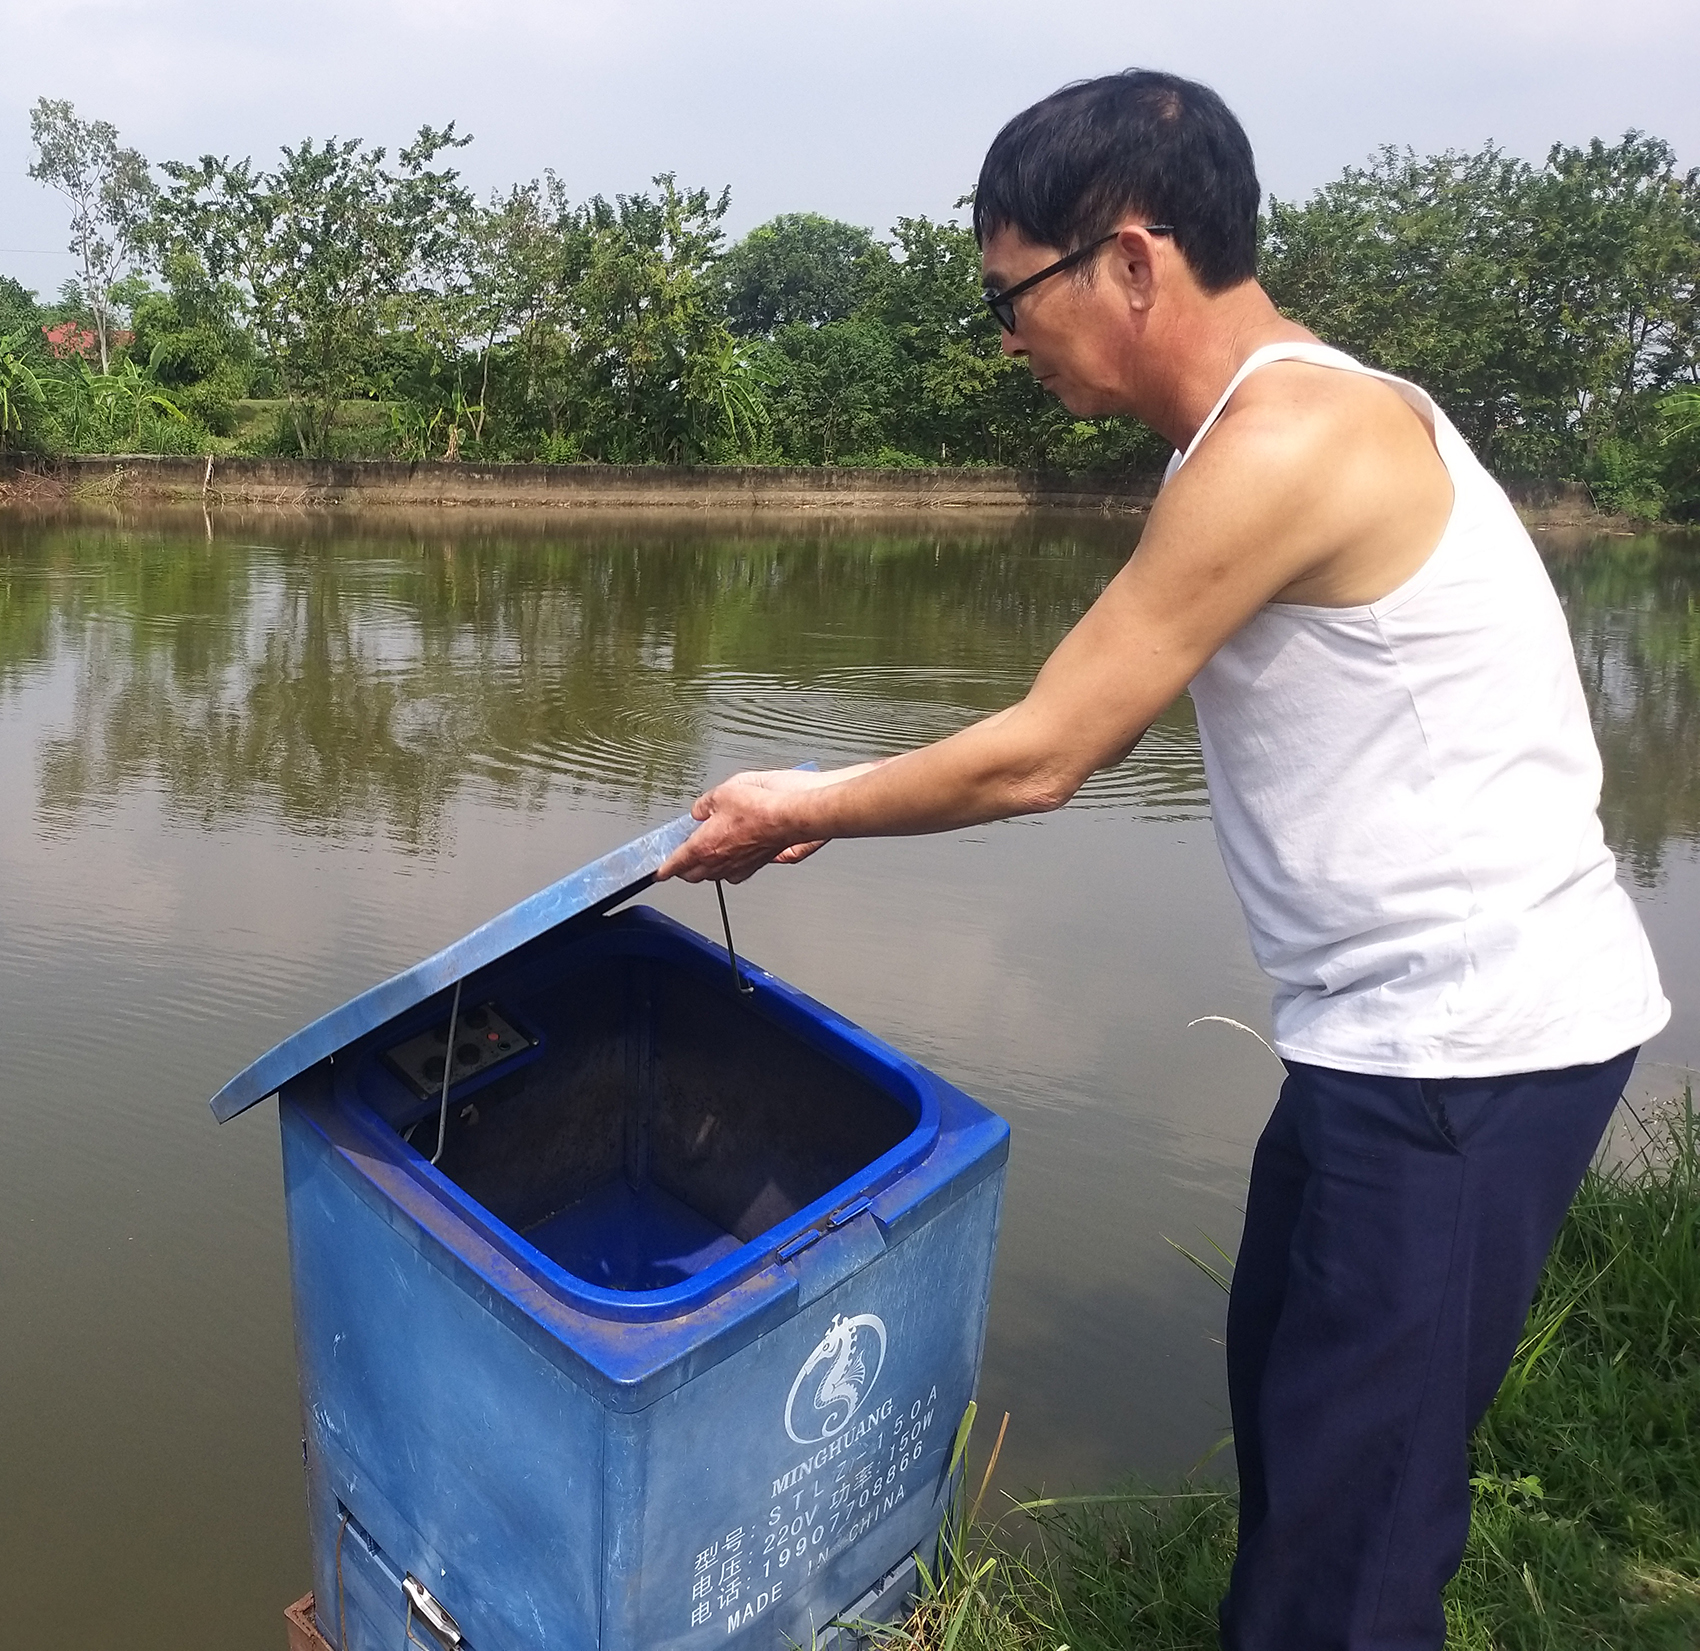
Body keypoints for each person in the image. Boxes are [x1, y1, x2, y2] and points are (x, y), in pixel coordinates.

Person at [655, 69, 1670, 1651]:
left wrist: (800, 805)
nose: (1007, 338)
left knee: (1358, 1520)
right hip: (1387, 1039)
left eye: (1015, 295)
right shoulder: (1288, 418)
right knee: (1301, 1414)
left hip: (1467, 1052)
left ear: (1131, 260)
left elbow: (1050, 750)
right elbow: (1091, 730)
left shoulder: (1286, 441)